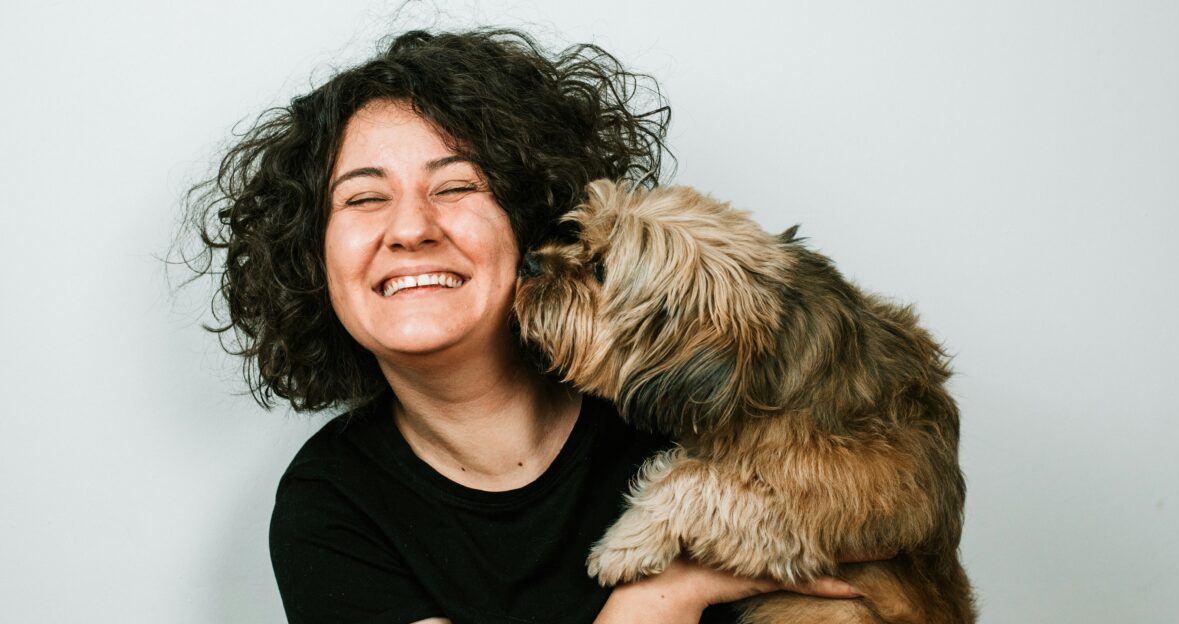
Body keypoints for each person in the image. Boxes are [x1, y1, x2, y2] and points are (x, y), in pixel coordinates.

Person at [185, 27, 870, 623]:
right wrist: (666, 595)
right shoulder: (329, 510)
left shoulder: (690, 389)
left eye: (455, 186)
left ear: (529, 219)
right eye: (364, 198)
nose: (411, 228)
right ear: (312, 258)